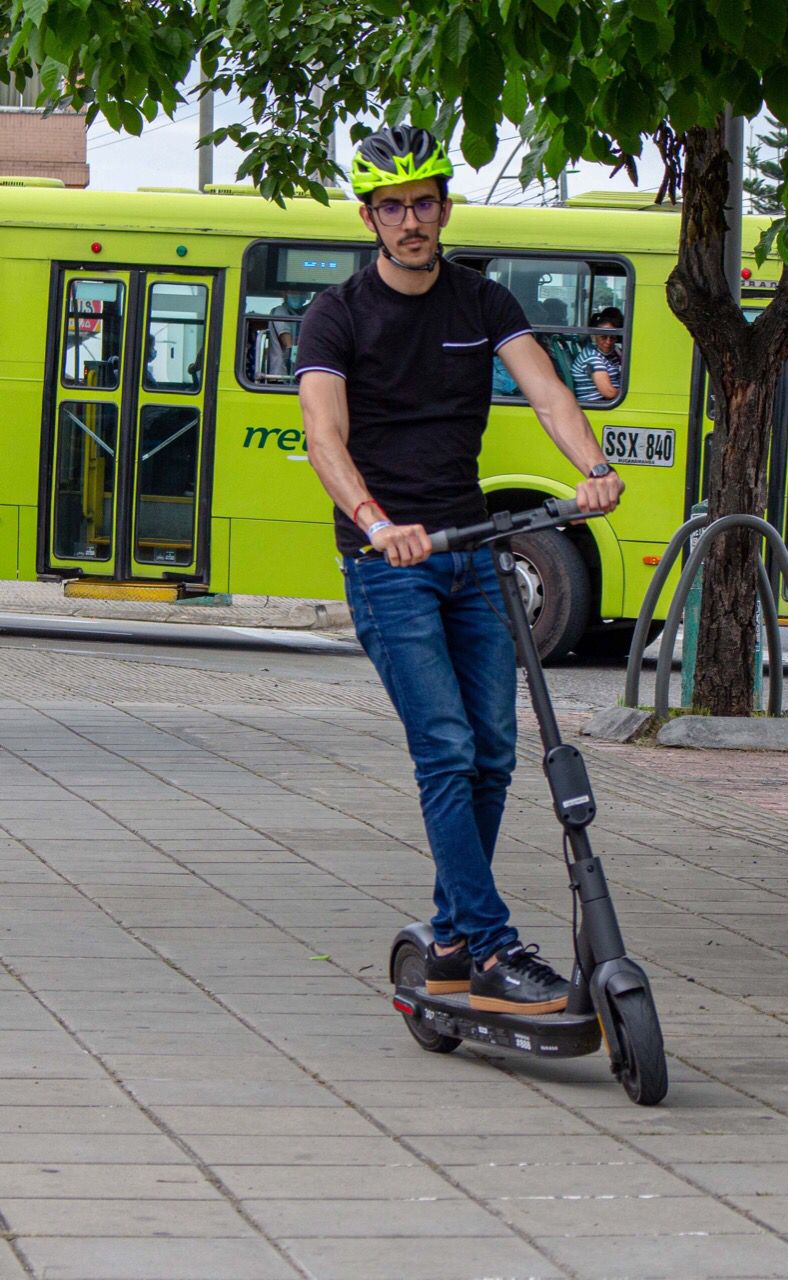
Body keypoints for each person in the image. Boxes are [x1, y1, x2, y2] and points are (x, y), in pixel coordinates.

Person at [295, 125, 623, 1014]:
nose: (411, 220)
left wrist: (592, 468)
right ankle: (489, 946)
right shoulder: (338, 314)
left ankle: (448, 939)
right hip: (388, 561)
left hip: (471, 553)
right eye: (393, 205)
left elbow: (550, 391)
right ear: (369, 217)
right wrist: (375, 519)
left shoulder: (481, 303)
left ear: (444, 207)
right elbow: (324, 436)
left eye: (424, 202)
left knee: (492, 750)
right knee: (444, 746)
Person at [571, 308, 623, 401]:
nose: (608, 342)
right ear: (594, 336)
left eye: (612, 338)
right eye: (603, 337)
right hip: (601, 404)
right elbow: (609, 393)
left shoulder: (611, 353)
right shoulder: (592, 358)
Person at [268, 292, 311, 378]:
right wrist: (294, 353)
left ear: (306, 296)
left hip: (297, 370)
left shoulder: (302, 313)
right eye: (292, 291)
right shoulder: (280, 311)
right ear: (285, 295)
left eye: (301, 292)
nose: (297, 295)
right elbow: (285, 336)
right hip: (281, 374)